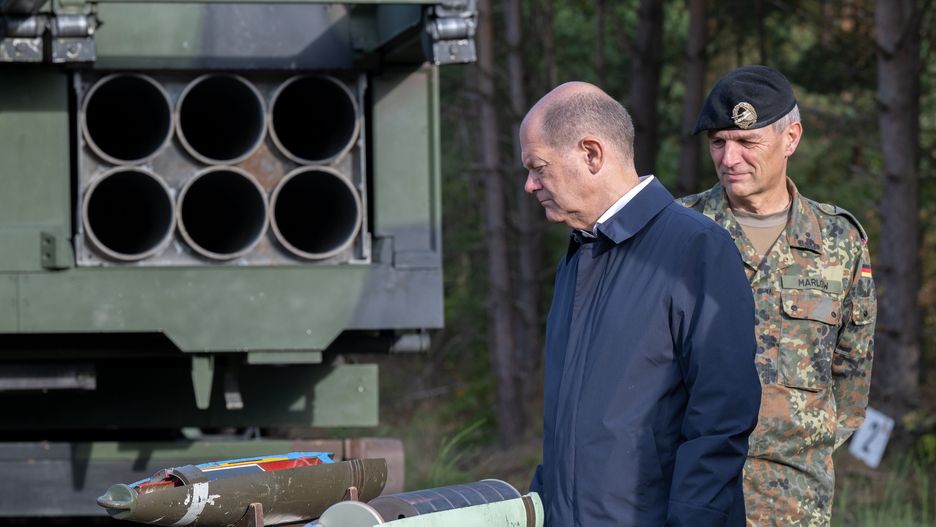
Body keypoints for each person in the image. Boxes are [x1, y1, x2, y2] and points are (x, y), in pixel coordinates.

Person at [523, 81, 761, 526]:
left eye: (538, 167)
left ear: (591, 154)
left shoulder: (696, 248)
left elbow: (721, 421)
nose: (530, 184)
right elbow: (569, 427)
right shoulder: (577, 256)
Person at [678, 65, 877, 527]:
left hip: (795, 500)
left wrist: (800, 442)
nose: (729, 158)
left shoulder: (839, 241)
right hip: (691, 491)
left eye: (747, 142)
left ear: (791, 139)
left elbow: (852, 378)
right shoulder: (679, 231)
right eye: (718, 142)